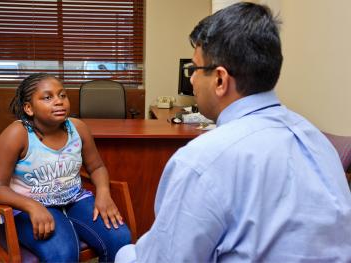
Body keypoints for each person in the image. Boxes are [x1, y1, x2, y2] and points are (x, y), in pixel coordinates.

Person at [116, 2, 351, 262]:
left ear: (219, 80)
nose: (191, 79)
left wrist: (124, 253)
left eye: (194, 69)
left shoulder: (201, 161)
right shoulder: (318, 141)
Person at [0, 73, 131, 262]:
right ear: (29, 108)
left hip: (74, 199)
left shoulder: (78, 128)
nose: (59, 101)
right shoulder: (17, 134)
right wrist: (32, 206)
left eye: (62, 95)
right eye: (48, 97)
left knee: (120, 239)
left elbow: (96, 167)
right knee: (63, 253)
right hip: (29, 207)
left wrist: (103, 193)